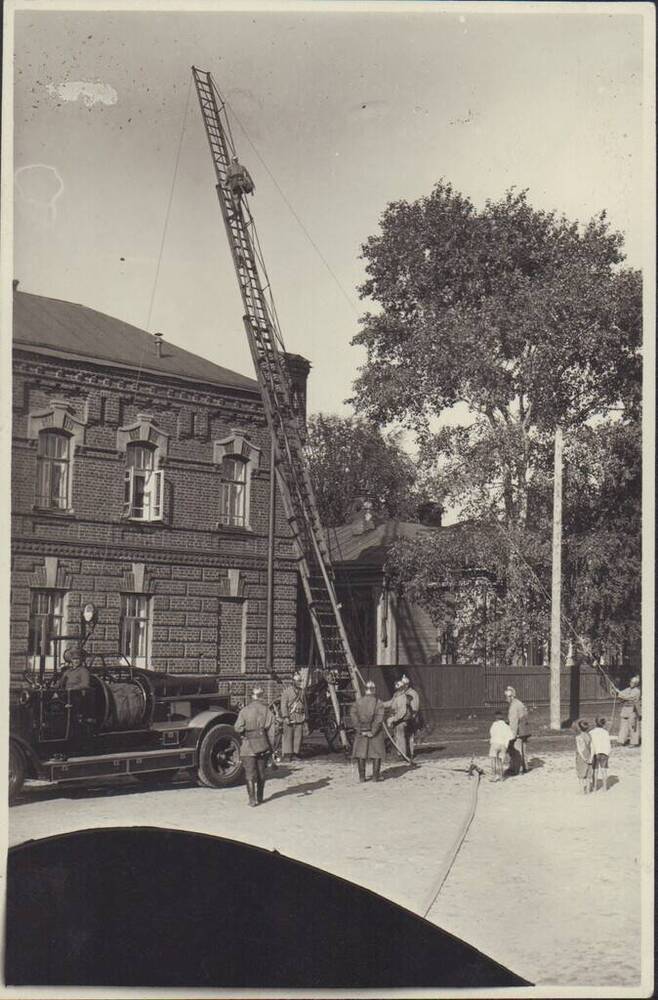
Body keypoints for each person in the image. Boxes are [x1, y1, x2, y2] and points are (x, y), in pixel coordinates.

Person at [234, 686, 276, 807]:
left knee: (249, 774)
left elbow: (237, 728)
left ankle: (252, 800)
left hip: (248, 747)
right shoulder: (268, 711)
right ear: (262, 696)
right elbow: (272, 733)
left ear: (252, 696)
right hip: (263, 746)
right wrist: (270, 748)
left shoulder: (244, 711)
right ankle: (260, 797)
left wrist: (245, 732)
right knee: (261, 773)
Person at [350, 680, 386, 782]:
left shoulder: (358, 702)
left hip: (361, 731)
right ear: (374, 690)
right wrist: (373, 731)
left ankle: (362, 777)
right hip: (375, 732)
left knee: (360, 753)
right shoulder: (378, 703)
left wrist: (359, 728)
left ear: (365, 690)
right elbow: (379, 719)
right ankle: (375, 777)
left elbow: (353, 715)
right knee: (376, 753)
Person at [280, 671, 306, 761]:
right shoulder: (286, 692)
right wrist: (285, 717)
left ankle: (295, 753)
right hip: (290, 716)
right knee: (288, 736)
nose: (300, 682)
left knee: (298, 736)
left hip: (299, 716)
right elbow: (283, 705)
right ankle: (287, 754)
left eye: (300, 681)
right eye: (298, 681)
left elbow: (304, 704)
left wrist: (305, 716)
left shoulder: (302, 692)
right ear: (293, 682)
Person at [504, 686, 530, 775]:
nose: (506, 699)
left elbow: (514, 722)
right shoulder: (519, 703)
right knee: (523, 750)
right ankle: (524, 768)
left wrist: (511, 736)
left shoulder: (514, 706)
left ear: (511, 696)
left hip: (519, 731)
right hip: (524, 730)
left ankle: (517, 770)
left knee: (516, 750)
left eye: (507, 697)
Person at [387, 679, 412, 762]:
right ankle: (399, 754)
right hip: (397, 720)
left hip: (401, 720)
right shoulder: (396, 695)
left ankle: (402, 755)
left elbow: (402, 712)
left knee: (400, 737)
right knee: (398, 737)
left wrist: (393, 719)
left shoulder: (401, 697)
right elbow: (391, 703)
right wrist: (380, 704)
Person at [615, 675, 641, 747]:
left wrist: (619, 693)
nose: (631, 683)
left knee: (633, 726)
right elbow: (622, 694)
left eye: (633, 682)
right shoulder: (628, 689)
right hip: (625, 709)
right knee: (623, 725)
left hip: (633, 709)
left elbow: (628, 697)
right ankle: (621, 741)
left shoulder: (637, 691)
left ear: (636, 684)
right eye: (631, 682)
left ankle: (634, 742)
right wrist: (616, 691)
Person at [489, 709, 513, 782]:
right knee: (500, 761)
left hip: (495, 743)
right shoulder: (506, 726)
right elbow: (511, 736)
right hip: (503, 744)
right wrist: (506, 744)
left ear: (496, 718)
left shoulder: (494, 724)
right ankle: (501, 777)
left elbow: (491, 733)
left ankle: (494, 776)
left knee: (493, 760)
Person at [401, 675, 421, 761]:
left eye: (404, 684)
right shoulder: (402, 693)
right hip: (403, 717)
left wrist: (412, 716)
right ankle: (404, 753)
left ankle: (411, 753)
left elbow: (415, 707)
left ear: (407, 684)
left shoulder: (413, 693)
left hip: (411, 717)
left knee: (410, 736)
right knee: (403, 736)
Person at [589, 716, 612, 791]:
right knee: (604, 770)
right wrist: (608, 752)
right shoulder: (606, 732)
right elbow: (608, 744)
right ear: (604, 724)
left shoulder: (591, 732)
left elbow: (591, 744)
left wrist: (590, 755)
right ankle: (604, 787)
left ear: (595, 723)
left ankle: (594, 787)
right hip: (604, 753)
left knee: (595, 771)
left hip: (595, 753)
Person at [573, 719, 593, 794]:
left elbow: (580, 749)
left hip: (582, 757)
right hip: (589, 755)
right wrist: (591, 757)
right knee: (588, 775)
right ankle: (588, 790)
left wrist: (584, 758)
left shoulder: (578, 737)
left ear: (579, 728)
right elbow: (592, 747)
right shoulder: (589, 736)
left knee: (581, 775)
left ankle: (582, 791)